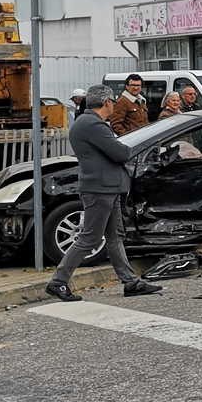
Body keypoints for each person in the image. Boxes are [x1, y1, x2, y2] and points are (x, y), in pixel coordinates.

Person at [45, 85, 162, 302]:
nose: (114, 106)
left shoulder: (88, 123)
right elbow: (120, 153)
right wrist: (141, 144)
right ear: (107, 102)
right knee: (89, 238)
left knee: (115, 236)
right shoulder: (93, 124)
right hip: (100, 189)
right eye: (113, 102)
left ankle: (130, 282)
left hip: (108, 188)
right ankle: (58, 282)